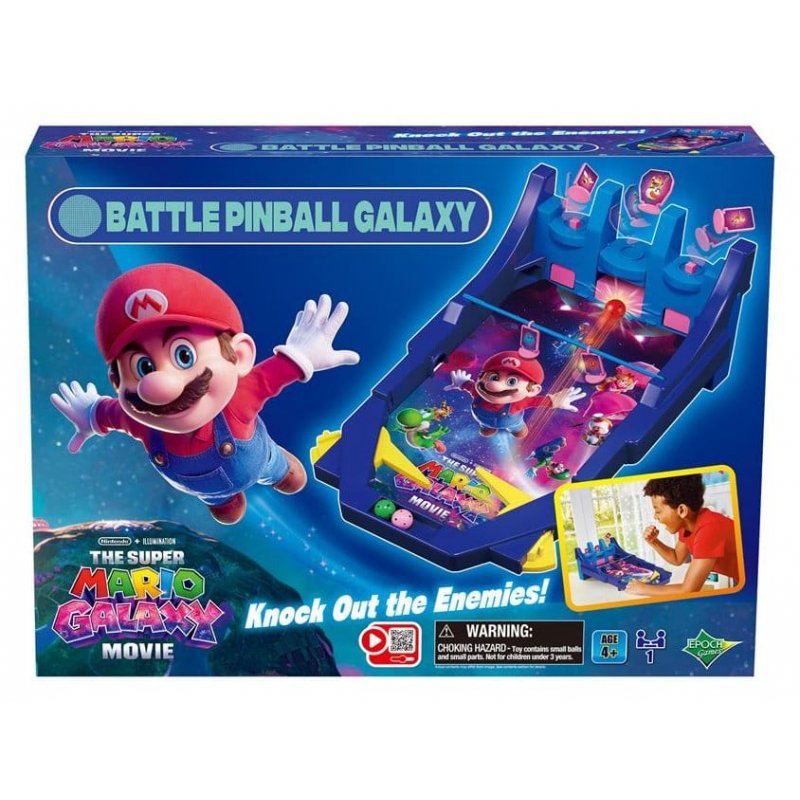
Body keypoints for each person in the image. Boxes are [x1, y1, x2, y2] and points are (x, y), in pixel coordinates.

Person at [51, 263, 359, 525]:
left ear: (239, 356)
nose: (159, 385)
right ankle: (223, 499)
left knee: (285, 474)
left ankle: (277, 469)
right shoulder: (141, 421)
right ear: (116, 383)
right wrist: (90, 416)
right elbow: (111, 414)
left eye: (183, 355)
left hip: (257, 459)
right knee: (226, 510)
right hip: (206, 489)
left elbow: (271, 376)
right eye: (143, 367)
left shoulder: (239, 400)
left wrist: (301, 355)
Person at [625, 473, 740, 596]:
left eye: (658, 511)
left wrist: (643, 589)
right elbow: (677, 558)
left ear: (681, 510)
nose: (655, 516)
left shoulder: (709, 529)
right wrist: (654, 541)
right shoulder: (688, 525)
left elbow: (688, 590)